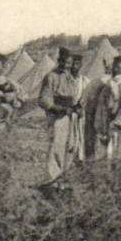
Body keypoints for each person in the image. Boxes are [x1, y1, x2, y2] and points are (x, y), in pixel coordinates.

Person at [38, 47, 82, 181]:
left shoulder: (71, 79)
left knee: (70, 146)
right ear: (59, 61)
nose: (65, 65)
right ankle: (53, 178)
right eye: (63, 62)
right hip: (57, 116)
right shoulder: (51, 77)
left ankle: (64, 176)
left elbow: (74, 97)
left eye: (68, 63)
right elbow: (44, 99)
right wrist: (58, 108)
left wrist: (77, 107)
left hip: (70, 116)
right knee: (57, 146)